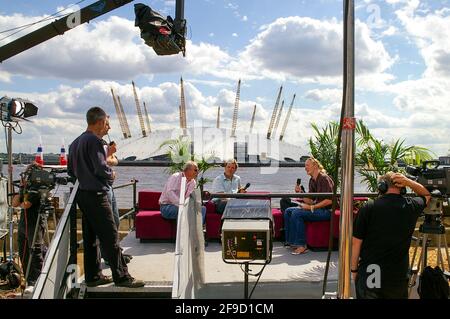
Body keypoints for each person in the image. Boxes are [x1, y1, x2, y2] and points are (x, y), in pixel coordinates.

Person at [68, 106, 144, 288]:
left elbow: (71, 171)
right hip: (97, 194)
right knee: (110, 236)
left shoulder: (75, 142)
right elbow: (101, 167)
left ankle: (93, 276)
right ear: (100, 122)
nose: (109, 128)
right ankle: (122, 276)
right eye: (107, 124)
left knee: (91, 237)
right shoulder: (94, 141)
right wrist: (111, 174)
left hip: (83, 195)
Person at [352, 172, 430, 299]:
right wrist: (409, 182)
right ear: (403, 188)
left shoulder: (369, 207)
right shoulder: (411, 206)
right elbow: (426, 194)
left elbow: (356, 242)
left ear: (382, 187)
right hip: (398, 275)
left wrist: (354, 270)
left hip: (372, 271)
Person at [284, 157, 334, 255]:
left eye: (307, 165)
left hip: (327, 211)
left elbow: (329, 200)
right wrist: (301, 193)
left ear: (315, 166)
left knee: (297, 213)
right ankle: (291, 242)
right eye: (305, 166)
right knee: (288, 211)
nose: (305, 168)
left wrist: (311, 208)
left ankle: (302, 245)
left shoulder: (324, 178)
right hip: (318, 208)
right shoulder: (312, 180)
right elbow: (310, 201)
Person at [13, 166, 46, 292]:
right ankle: (28, 279)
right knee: (23, 250)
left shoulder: (37, 188)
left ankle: (36, 280)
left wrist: (24, 195)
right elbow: (15, 203)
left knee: (35, 250)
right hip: (23, 223)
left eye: (28, 174)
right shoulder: (26, 189)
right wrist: (21, 188)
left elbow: (26, 204)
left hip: (35, 222)